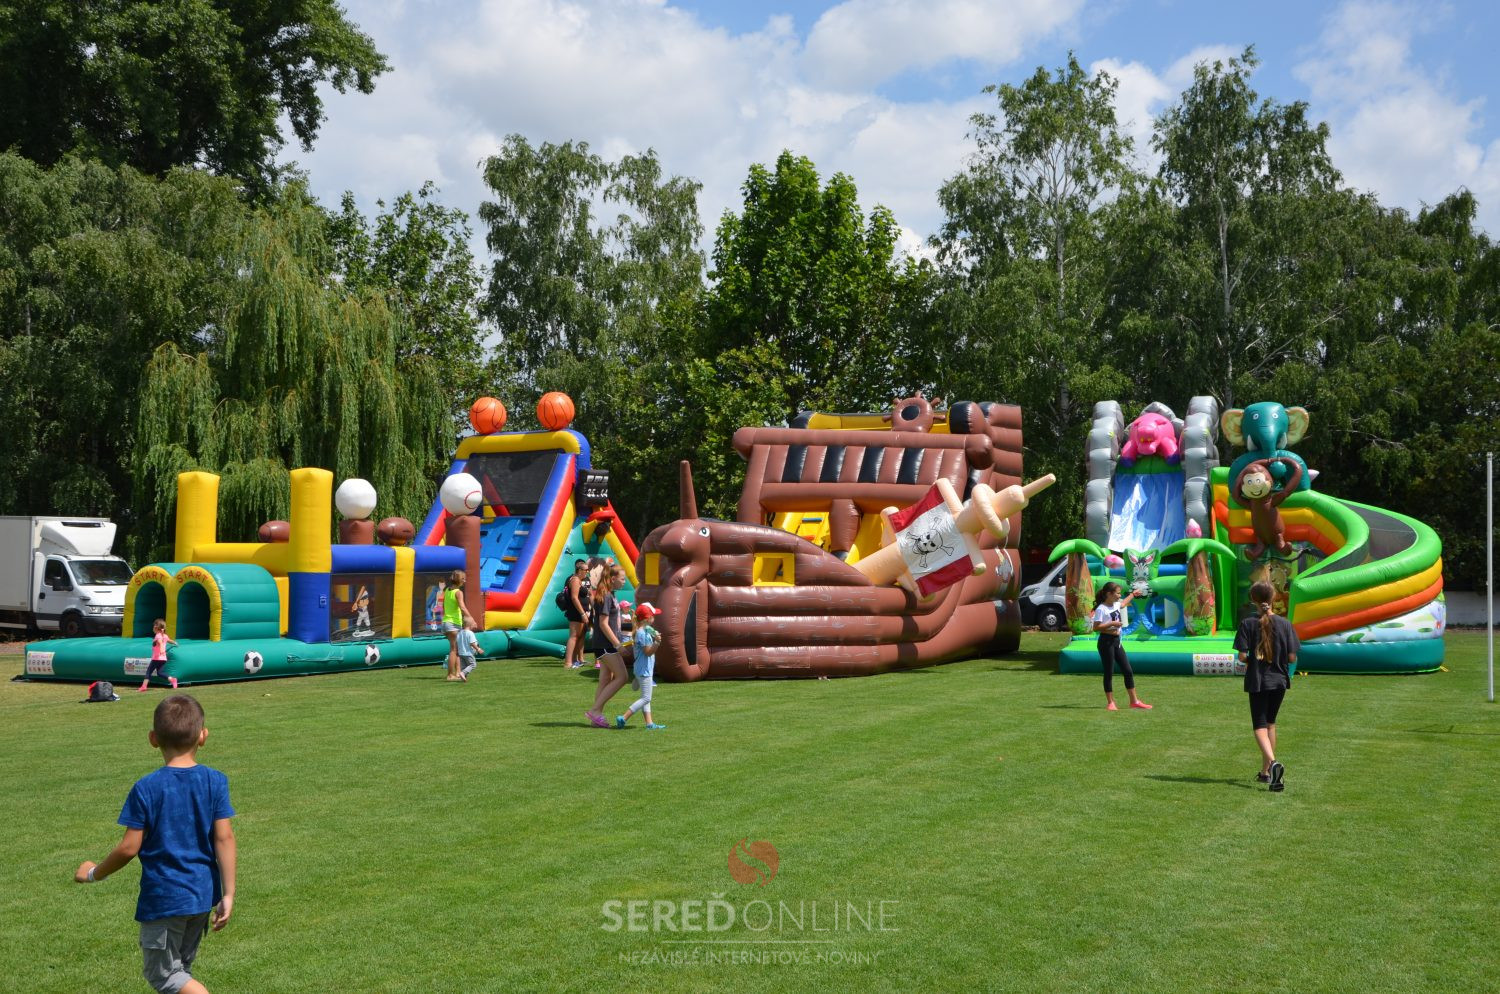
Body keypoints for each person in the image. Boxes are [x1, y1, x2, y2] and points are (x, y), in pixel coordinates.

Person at [74, 694, 236, 994]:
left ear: (153, 739)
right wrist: (228, 893)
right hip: (201, 896)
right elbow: (224, 838)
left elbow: (128, 848)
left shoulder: (147, 788)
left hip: (165, 900)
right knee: (181, 971)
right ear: (203, 736)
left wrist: (94, 873)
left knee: (165, 976)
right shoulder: (215, 781)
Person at [1235, 580, 1299, 791]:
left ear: (1252, 599)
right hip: (1279, 680)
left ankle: (1272, 763)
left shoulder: (1247, 624)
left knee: (1260, 726)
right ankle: (1266, 774)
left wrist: (1253, 659)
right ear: (1273, 598)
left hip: (1258, 680)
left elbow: (1242, 657)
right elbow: (1292, 657)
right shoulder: (1285, 624)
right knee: (1271, 724)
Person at [1090, 582, 1151, 711]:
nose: (1119, 596)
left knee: (1128, 671)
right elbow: (1096, 627)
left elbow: (1123, 603)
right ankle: (1110, 703)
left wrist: (1133, 594)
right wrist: (1111, 624)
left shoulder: (1116, 604)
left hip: (1116, 642)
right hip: (1106, 643)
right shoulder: (1101, 609)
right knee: (1109, 672)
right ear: (1109, 594)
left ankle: (1134, 701)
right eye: (1117, 593)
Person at [583, 568, 631, 728]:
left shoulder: (611, 595)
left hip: (605, 644)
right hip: (605, 645)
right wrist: (618, 644)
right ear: (612, 579)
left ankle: (596, 718)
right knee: (622, 677)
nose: (624, 581)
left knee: (605, 679)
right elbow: (603, 624)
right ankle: (595, 710)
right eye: (622, 578)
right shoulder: (606, 596)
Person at [616, 603, 665, 730]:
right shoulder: (642, 633)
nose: (654, 618)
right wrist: (657, 642)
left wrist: (653, 636)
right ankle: (623, 717)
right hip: (644, 670)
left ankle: (649, 724)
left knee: (645, 697)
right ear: (647, 618)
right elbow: (648, 652)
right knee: (646, 698)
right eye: (653, 616)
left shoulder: (643, 631)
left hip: (641, 669)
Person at [443, 570, 477, 681]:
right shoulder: (458, 592)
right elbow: (462, 607)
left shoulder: (447, 590)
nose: (465, 581)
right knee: (454, 650)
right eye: (463, 579)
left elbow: (445, 607)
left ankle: (458, 673)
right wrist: (471, 619)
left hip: (447, 622)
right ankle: (450, 675)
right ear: (459, 580)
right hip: (453, 623)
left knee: (456, 649)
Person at [561, 559, 592, 669]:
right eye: (586, 570)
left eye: (588, 570)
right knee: (573, 636)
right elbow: (574, 598)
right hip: (576, 612)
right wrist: (582, 613)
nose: (587, 572)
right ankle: (568, 663)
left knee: (578, 637)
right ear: (579, 570)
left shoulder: (578, 580)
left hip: (580, 612)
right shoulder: (575, 580)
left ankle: (574, 661)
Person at [139, 619, 178, 693]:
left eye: (153, 626)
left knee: (148, 672)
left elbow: (160, 643)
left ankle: (144, 686)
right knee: (160, 673)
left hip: (157, 658)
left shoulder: (158, 635)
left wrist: (162, 650)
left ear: (156, 628)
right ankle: (172, 679)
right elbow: (169, 640)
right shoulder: (165, 636)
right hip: (163, 659)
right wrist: (175, 643)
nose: (153, 628)